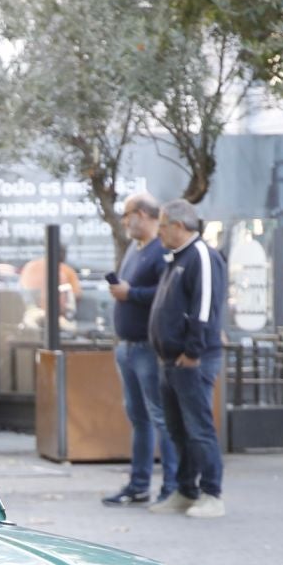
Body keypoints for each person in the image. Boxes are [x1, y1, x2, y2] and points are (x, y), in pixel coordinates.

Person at [147, 199, 229, 519]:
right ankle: (186, 489)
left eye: (163, 227)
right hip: (170, 361)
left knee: (198, 428)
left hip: (192, 360)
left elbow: (204, 307)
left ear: (179, 226)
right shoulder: (177, 259)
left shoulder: (202, 257)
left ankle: (212, 493)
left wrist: (193, 352)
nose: (160, 234)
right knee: (178, 429)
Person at [103, 194, 175, 505]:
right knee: (139, 417)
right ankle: (139, 483)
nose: (124, 221)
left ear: (143, 214)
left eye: (127, 214)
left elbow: (165, 293)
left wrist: (131, 293)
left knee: (159, 417)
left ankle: (171, 486)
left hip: (148, 347)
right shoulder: (134, 248)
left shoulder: (162, 250)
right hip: (127, 347)